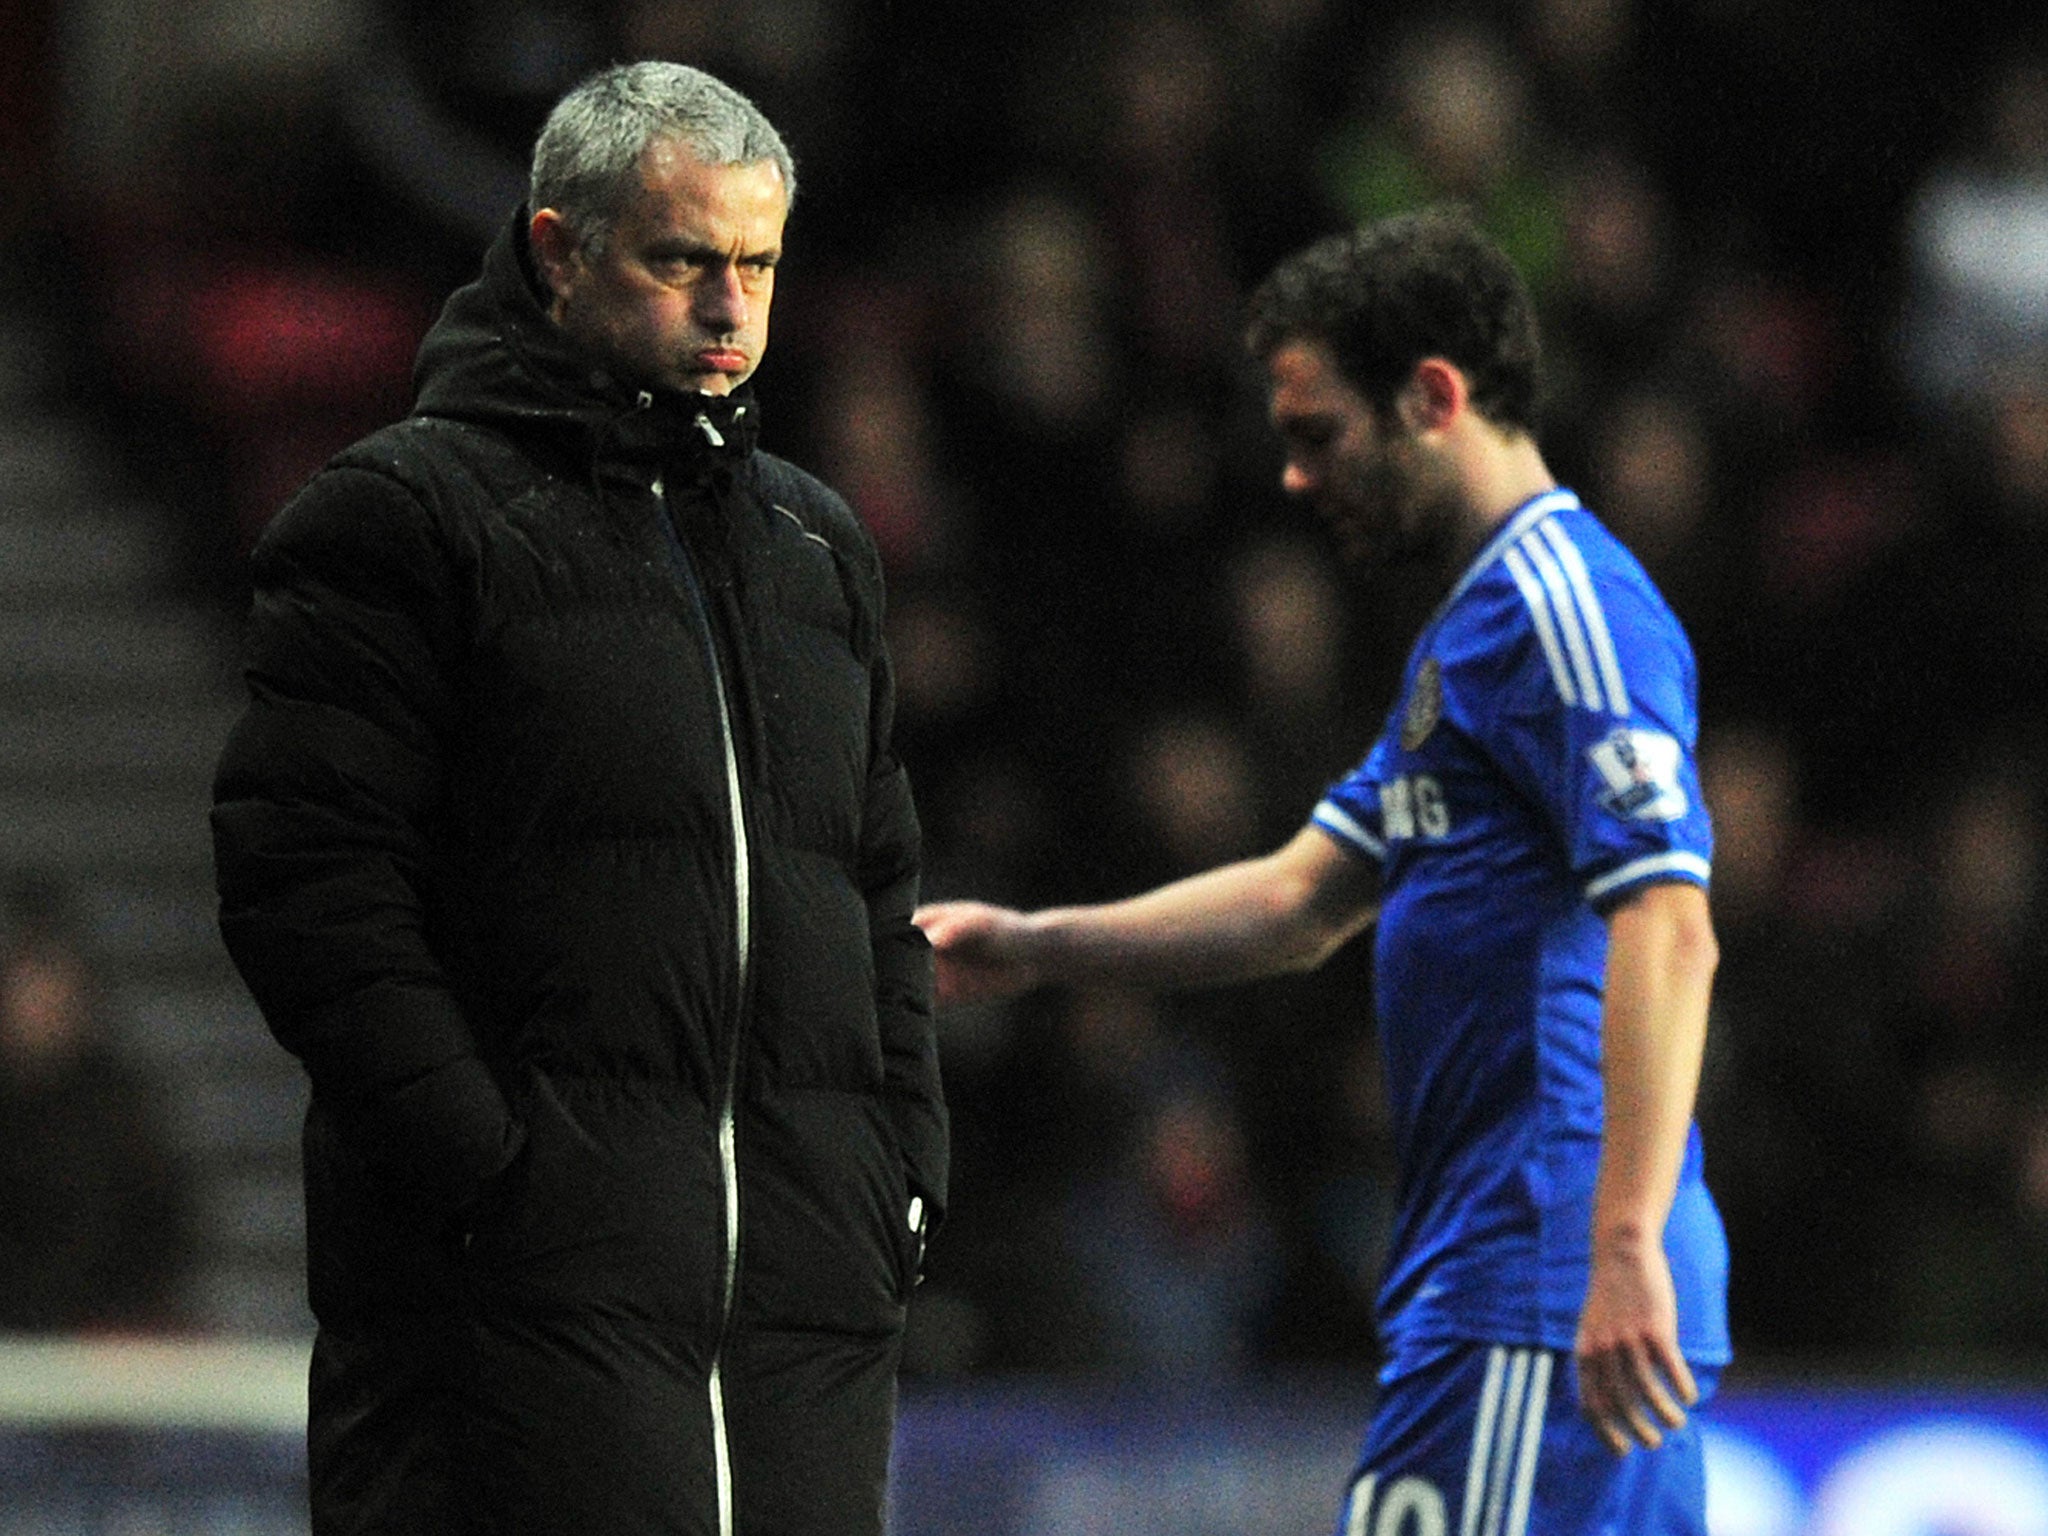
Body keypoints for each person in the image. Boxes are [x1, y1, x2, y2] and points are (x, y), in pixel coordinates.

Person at [210, 61, 947, 1536]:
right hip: (510, 1317)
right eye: (683, 261)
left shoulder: (817, 552)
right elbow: (308, 886)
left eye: (759, 265)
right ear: (557, 252)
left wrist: (900, 1174)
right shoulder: (402, 517)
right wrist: (492, 1180)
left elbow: (875, 894)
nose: (733, 309)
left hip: (799, 1315)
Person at [917, 209, 1729, 1535]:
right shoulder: (1472, 632)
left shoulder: (1567, 610)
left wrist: (1622, 1240)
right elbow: (1302, 899)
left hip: (1548, 1270)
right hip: (1511, 1270)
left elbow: (1670, 922)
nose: (1297, 479)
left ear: (1433, 396)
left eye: (1318, 434)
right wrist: (1035, 945)